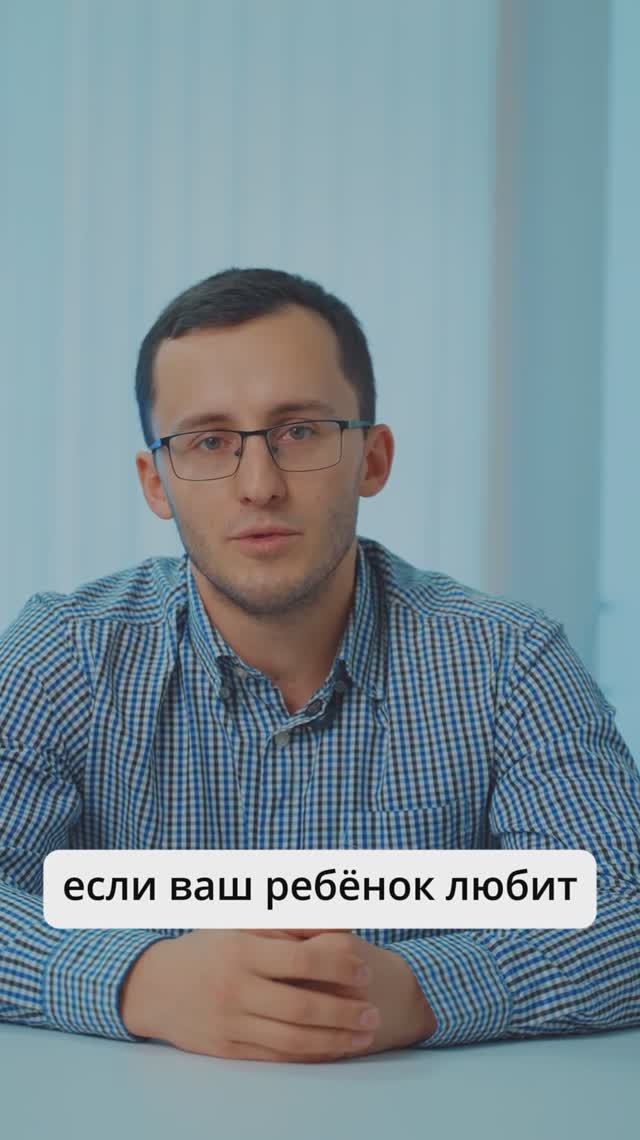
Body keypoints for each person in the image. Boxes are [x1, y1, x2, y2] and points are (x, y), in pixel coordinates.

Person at [1, 268, 639, 1064]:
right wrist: (143, 982)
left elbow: (624, 907)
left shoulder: (510, 660)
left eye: (300, 431)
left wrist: (413, 989)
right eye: (209, 442)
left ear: (372, 457)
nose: (259, 486)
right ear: (155, 483)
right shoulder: (65, 655)